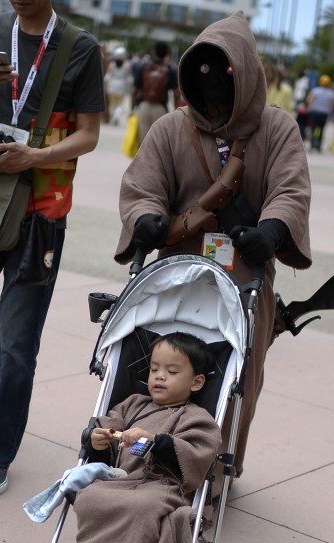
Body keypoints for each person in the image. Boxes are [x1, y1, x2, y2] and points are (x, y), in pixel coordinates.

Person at [115, 11, 311, 478]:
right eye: (200, 77)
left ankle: (217, 470)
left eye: (224, 77)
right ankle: (141, 449)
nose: (213, 91)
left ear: (245, 75)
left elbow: (290, 189)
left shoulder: (277, 129)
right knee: (161, 366)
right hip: (176, 274)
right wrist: (144, 220)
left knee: (238, 377)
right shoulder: (170, 128)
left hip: (246, 272)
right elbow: (142, 186)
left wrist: (271, 232)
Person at [0, 0, 104, 497]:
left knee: (17, 344)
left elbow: (89, 134)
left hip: (42, 211)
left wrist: (35, 155)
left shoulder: (80, 47)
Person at [74, 333, 222, 543]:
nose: (159, 377)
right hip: (121, 480)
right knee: (89, 499)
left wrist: (158, 441)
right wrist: (99, 438)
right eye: (155, 369)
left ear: (195, 383)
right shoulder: (133, 405)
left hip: (162, 486)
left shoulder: (197, 418)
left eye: (171, 371)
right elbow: (108, 424)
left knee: (144, 509)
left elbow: (198, 452)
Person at [133, 41, 179, 145]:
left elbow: (135, 90)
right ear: (166, 54)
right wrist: (176, 111)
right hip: (160, 108)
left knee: (142, 142)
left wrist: (133, 108)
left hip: (144, 106)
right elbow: (176, 93)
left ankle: (142, 161)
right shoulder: (170, 70)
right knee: (157, 143)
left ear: (154, 52)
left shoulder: (144, 67)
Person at [305, 74, 334, 151]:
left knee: (313, 128)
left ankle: (312, 144)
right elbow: (333, 105)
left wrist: (309, 107)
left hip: (315, 112)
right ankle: (319, 145)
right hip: (324, 114)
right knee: (321, 129)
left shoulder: (315, 90)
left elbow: (309, 100)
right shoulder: (331, 94)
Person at [104, 46, 133, 125]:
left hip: (112, 86)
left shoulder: (111, 65)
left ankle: (113, 116)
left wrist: (106, 86)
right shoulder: (127, 66)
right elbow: (129, 79)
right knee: (119, 104)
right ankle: (116, 116)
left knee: (112, 104)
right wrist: (129, 88)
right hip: (122, 86)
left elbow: (107, 77)